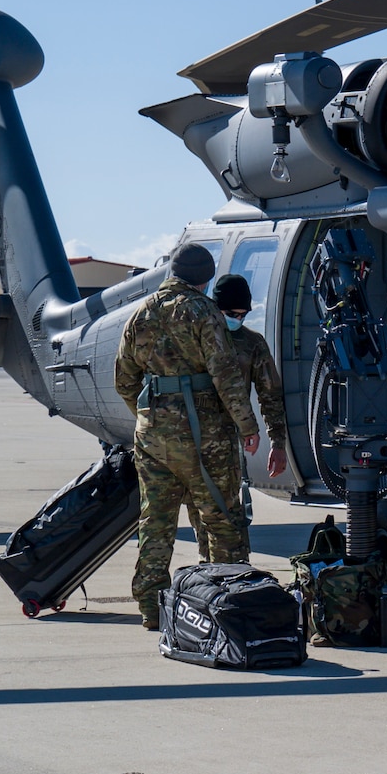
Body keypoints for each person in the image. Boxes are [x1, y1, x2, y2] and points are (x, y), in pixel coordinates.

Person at [113, 243, 261, 629]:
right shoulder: (203, 312)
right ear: (205, 278)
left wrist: (152, 416)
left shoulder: (140, 313)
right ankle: (228, 597)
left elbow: (124, 379)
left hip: (151, 435)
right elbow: (225, 374)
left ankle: (150, 606)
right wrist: (247, 425)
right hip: (203, 436)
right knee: (220, 518)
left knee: (156, 520)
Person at [184, 273, 288, 559]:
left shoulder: (252, 344)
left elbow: (271, 395)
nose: (237, 319)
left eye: (242, 315)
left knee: (231, 513)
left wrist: (277, 444)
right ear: (215, 308)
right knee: (200, 512)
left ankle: (235, 570)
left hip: (229, 444)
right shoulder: (193, 340)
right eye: (231, 314)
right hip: (191, 440)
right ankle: (209, 568)